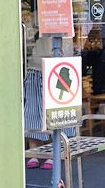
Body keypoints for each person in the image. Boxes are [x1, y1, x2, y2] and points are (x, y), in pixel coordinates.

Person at [23, 33, 75, 169]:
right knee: (32, 110)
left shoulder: (61, 19)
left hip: (58, 66)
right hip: (35, 65)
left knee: (56, 110)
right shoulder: (37, 17)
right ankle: (34, 151)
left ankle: (55, 150)